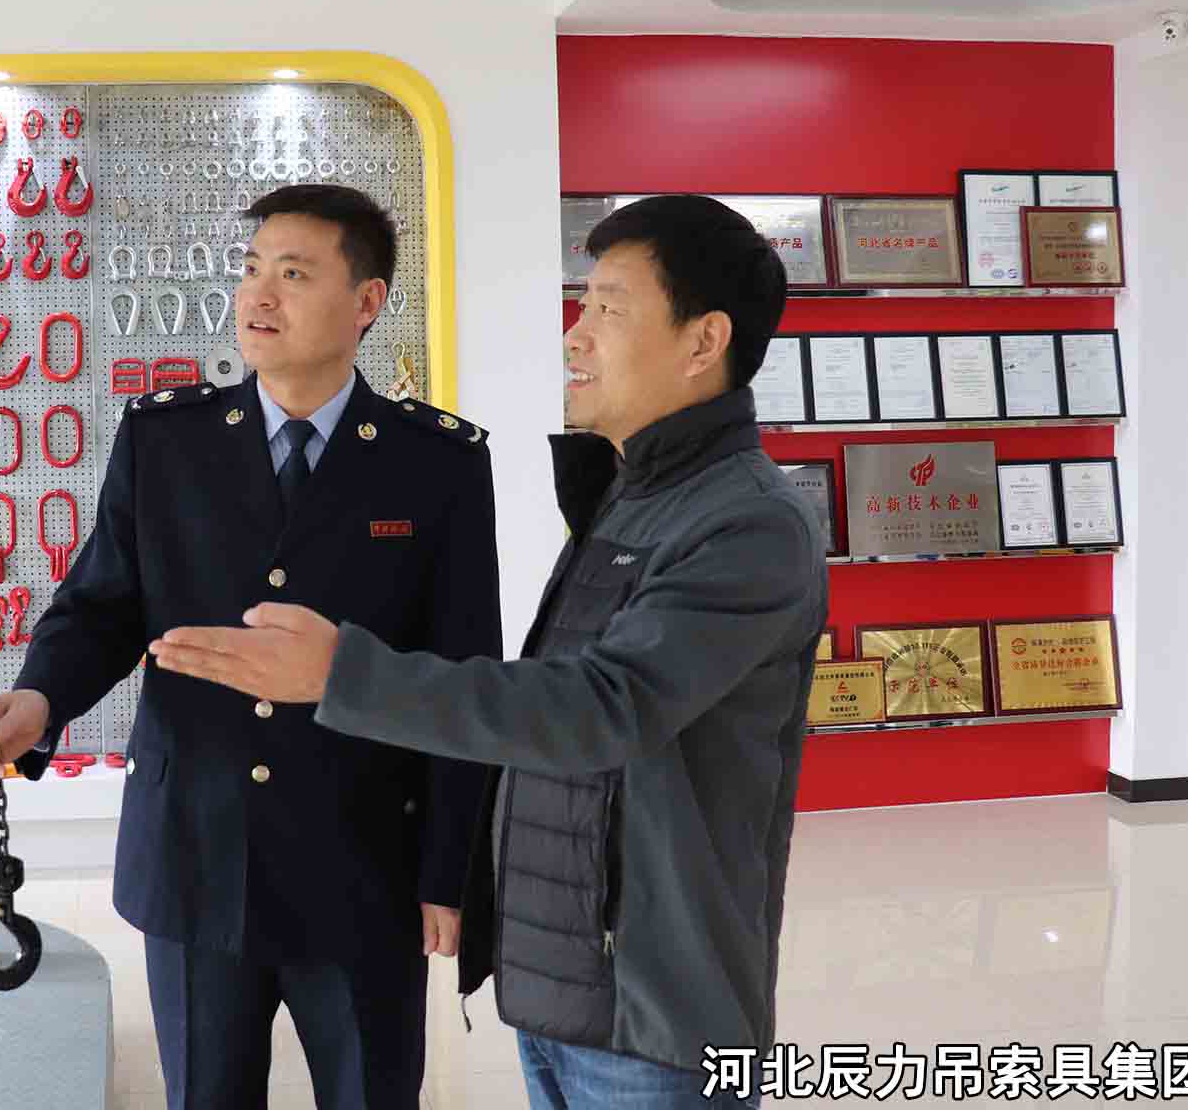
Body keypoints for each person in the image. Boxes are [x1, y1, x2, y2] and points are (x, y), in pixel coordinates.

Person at [150, 194, 827, 1110]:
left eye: (608, 309)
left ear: (704, 341)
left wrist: (341, 676)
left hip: (654, 1015)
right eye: (581, 307)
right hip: (567, 989)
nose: (575, 336)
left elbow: (599, 706)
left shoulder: (747, 523)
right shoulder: (632, 497)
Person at [0, 183, 502, 1110]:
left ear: (366, 302)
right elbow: (102, 607)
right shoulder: (167, 440)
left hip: (364, 865)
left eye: (294, 274)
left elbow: (461, 673)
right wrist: (40, 701)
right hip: (197, 858)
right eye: (251, 270)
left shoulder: (435, 464)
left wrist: (447, 870)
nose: (258, 295)